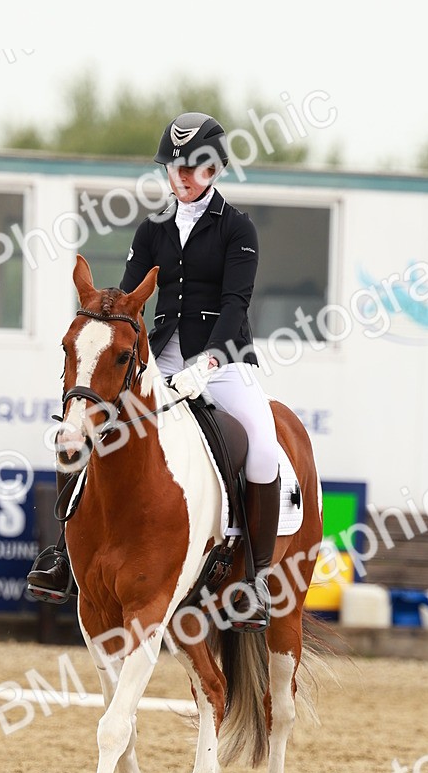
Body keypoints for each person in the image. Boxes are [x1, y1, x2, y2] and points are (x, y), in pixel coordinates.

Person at [27, 111, 281, 628]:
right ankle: (61, 556)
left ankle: (254, 578)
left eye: (193, 167)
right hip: (158, 354)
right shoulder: (152, 229)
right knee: (85, 425)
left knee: (263, 447)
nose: (182, 176)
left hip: (223, 358)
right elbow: (125, 302)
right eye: (174, 166)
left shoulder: (238, 229)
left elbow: (236, 304)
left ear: (214, 170)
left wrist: (208, 362)